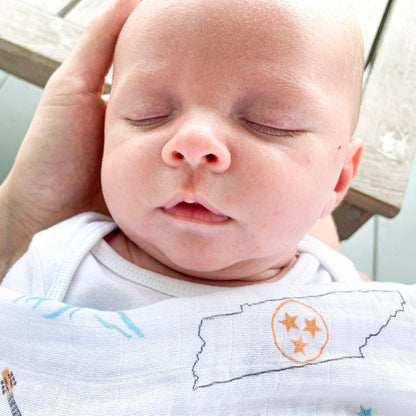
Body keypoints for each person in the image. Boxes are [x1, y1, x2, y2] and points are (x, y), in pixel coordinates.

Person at [0, 1, 414, 414]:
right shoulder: (54, 261)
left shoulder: (350, 302)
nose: (194, 142)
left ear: (339, 178)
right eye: (149, 114)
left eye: (270, 123)